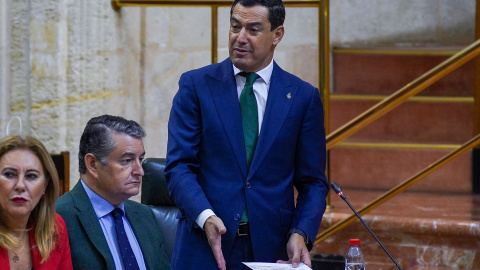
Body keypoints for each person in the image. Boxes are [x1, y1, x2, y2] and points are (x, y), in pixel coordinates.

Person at [164, 0, 329, 269]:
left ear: (277, 35)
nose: (240, 38)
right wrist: (205, 217)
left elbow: (313, 182)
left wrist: (301, 232)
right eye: (234, 27)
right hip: (203, 246)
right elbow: (179, 166)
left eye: (253, 29)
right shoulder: (195, 86)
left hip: (272, 249)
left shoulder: (302, 97)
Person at [56, 115, 170, 270]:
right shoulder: (58, 217)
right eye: (127, 161)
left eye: (140, 159)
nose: (140, 171)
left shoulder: (145, 215)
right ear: (92, 164)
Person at [0, 135, 73, 269]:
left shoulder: (55, 228)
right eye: (9, 174)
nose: (20, 185)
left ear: (45, 185)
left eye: (31, 176)